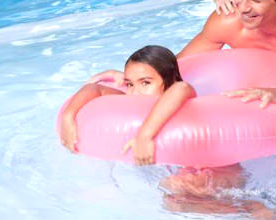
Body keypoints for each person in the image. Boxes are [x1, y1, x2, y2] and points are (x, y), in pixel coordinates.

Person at [59, 45, 195, 165]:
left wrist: (144, 136)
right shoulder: (130, 102)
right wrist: (68, 116)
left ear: (171, 80)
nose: (135, 92)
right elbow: (94, 89)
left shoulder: (180, 97)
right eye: (129, 84)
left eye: (145, 83)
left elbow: (181, 88)